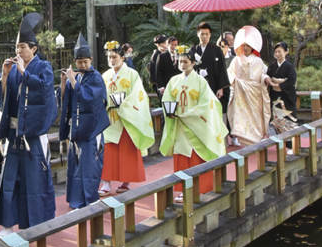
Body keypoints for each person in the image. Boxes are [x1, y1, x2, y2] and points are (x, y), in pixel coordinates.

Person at [0, 13, 58, 239]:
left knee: (35, 181)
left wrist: (23, 72)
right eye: (17, 46)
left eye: (23, 47)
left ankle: (36, 225)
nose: (19, 51)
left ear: (34, 49)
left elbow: (45, 89)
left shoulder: (43, 67)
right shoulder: (13, 68)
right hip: (14, 134)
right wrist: (4, 74)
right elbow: (1, 97)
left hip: (33, 135)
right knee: (9, 180)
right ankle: (8, 227)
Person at [159, 46, 228, 197]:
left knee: (197, 156)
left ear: (193, 63)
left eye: (185, 61)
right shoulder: (173, 81)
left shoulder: (201, 82)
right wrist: (170, 112)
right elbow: (168, 99)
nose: (182, 64)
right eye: (180, 61)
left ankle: (200, 188)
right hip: (180, 125)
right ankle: (183, 189)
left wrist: (188, 115)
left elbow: (206, 105)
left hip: (196, 125)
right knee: (182, 156)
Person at [59, 33, 110, 208]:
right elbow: (68, 101)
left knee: (89, 165)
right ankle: (76, 200)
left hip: (92, 129)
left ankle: (90, 200)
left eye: (85, 62)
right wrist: (64, 83)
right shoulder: (78, 76)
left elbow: (90, 98)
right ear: (75, 62)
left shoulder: (95, 77)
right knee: (76, 165)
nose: (82, 65)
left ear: (91, 59)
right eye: (79, 62)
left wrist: (73, 81)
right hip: (77, 129)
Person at [99, 41, 155, 195]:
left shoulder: (132, 74)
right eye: (109, 57)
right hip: (110, 118)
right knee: (108, 151)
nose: (111, 60)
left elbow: (139, 95)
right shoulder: (105, 75)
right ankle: (106, 183)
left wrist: (124, 106)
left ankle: (126, 181)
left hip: (126, 118)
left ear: (122, 58)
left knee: (127, 150)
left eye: (114, 56)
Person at [227, 26, 271, 146]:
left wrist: (266, 78)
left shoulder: (258, 61)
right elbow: (230, 72)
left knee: (256, 115)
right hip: (241, 91)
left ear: (252, 46)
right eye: (243, 45)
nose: (245, 48)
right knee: (242, 114)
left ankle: (256, 136)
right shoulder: (236, 60)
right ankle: (243, 137)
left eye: (247, 45)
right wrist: (235, 80)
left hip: (255, 92)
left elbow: (263, 73)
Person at [192, 21, 233, 144]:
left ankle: (218, 140)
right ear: (198, 34)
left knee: (215, 113)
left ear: (210, 35)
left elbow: (222, 69)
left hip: (214, 85)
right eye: (202, 34)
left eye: (206, 34)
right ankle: (202, 139)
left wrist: (221, 87)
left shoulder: (216, 50)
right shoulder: (193, 50)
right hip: (199, 86)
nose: (204, 36)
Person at [266, 42, 298, 116]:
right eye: (276, 52)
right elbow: (268, 76)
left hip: (287, 96)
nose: (277, 54)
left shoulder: (290, 67)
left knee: (288, 118)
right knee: (277, 119)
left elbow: (291, 81)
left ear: (286, 52)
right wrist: (267, 79)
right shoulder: (272, 66)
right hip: (275, 95)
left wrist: (277, 85)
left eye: (279, 51)